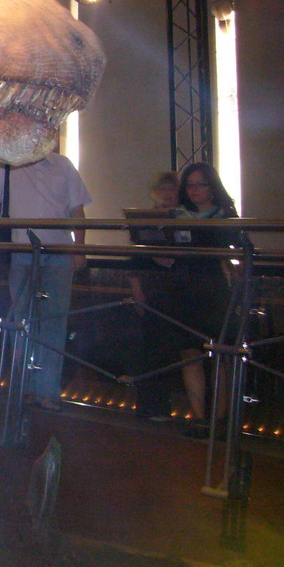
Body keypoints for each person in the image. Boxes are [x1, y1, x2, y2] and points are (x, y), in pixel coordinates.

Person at [0, 151, 92, 411]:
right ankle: (25, 386)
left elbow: (77, 209)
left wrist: (79, 248)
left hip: (58, 252)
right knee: (22, 320)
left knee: (53, 320)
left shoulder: (63, 165)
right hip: (22, 252)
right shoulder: (6, 162)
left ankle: (47, 390)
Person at [166, 162, 239, 437]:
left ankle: (219, 419)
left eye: (201, 185)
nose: (195, 190)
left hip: (214, 287)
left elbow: (234, 246)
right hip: (184, 287)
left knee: (220, 352)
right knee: (189, 352)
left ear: (212, 187)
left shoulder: (225, 215)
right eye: (190, 185)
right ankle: (198, 418)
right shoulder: (177, 216)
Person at [126, 171, 180, 420]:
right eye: (163, 190)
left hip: (178, 288)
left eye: (172, 190)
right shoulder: (145, 219)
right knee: (151, 347)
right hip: (153, 287)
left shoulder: (185, 219)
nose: (168, 194)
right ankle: (150, 406)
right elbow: (135, 256)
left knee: (171, 348)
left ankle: (165, 404)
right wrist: (137, 288)